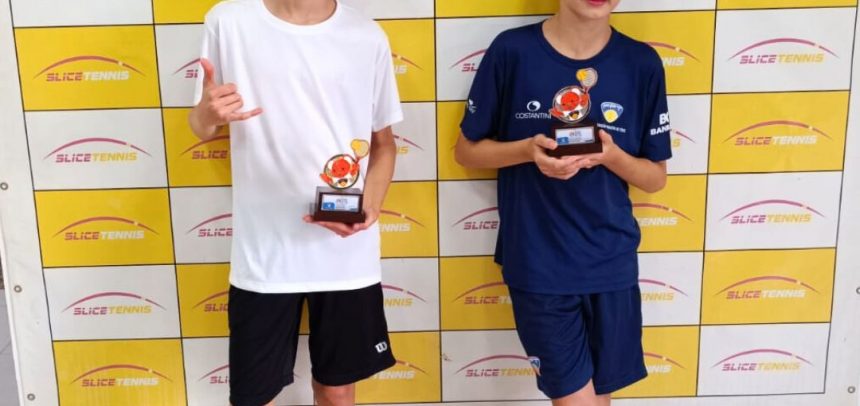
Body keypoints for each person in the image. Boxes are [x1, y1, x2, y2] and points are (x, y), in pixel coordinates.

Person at [454, 0, 671, 405]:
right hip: (539, 263)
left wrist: (610, 156)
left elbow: (655, 177)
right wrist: (527, 151)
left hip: (612, 263)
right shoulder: (512, 50)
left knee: (599, 398)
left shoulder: (641, 62)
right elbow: (466, 151)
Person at [188, 0, 402, 405]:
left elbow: (384, 144)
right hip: (263, 254)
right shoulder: (228, 22)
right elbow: (201, 126)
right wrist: (207, 114)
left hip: (344, 257)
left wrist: (370, 208)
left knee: (337, 391)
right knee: (255, 396)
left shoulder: (367, 35)